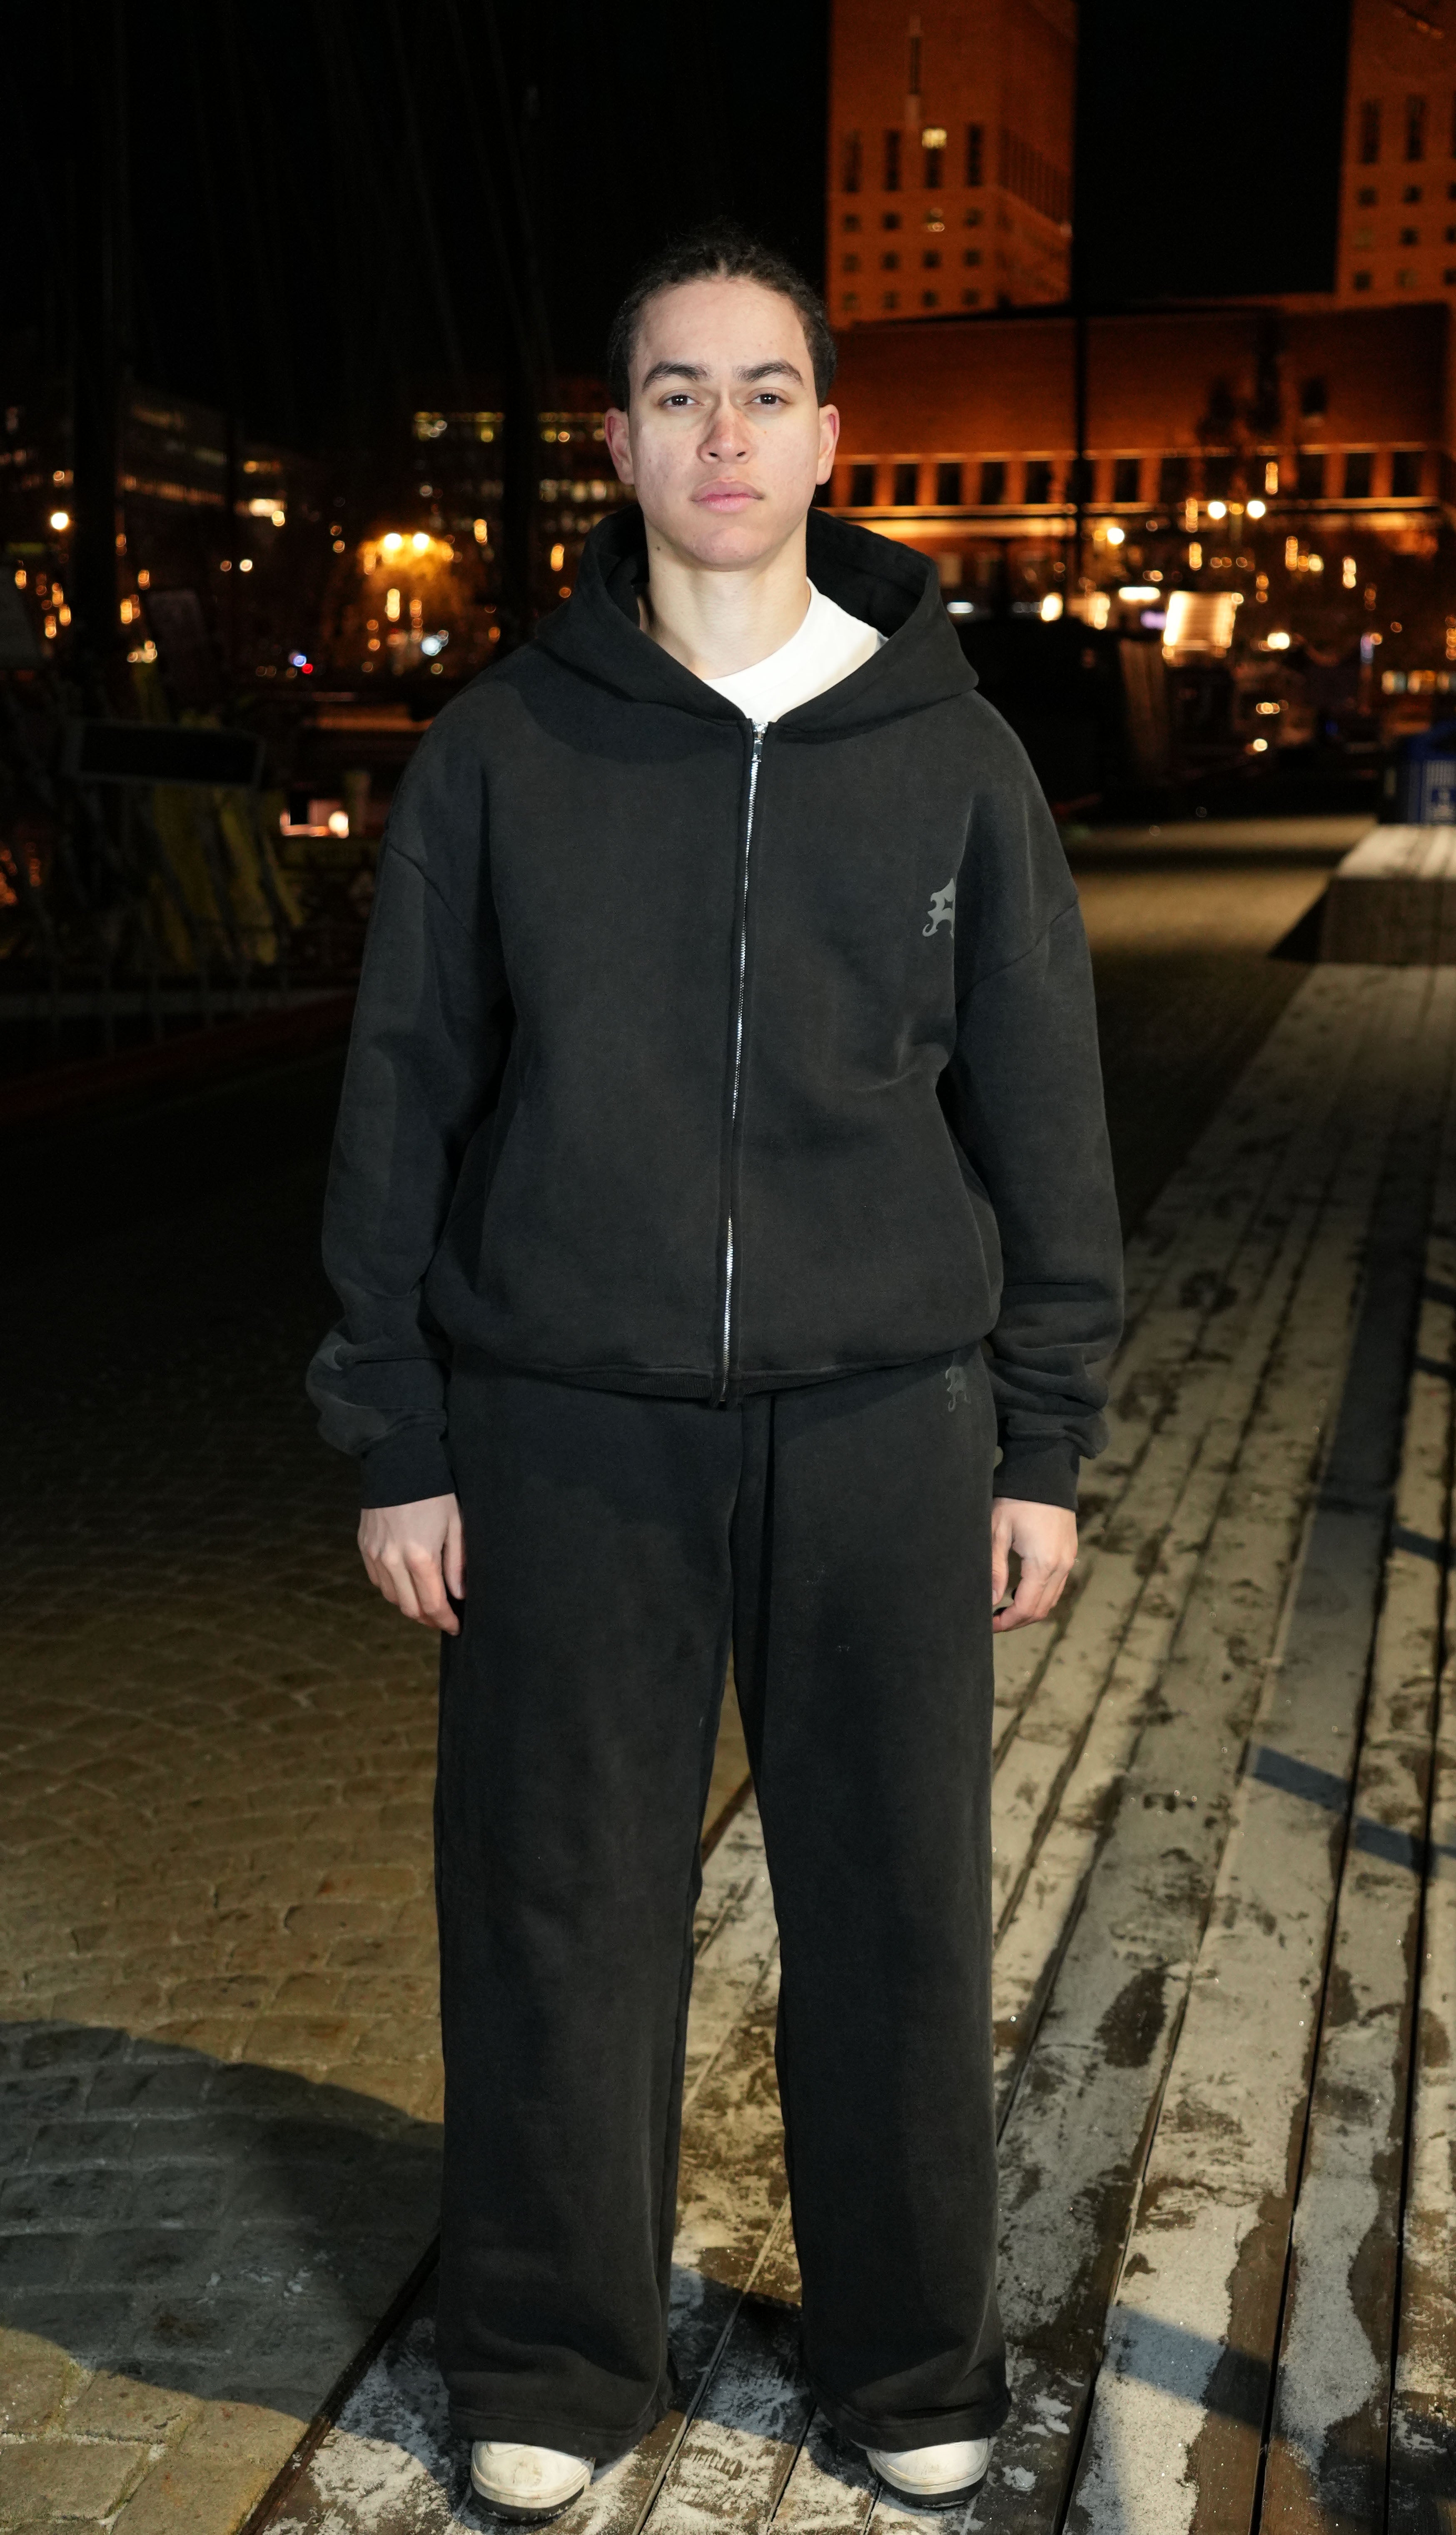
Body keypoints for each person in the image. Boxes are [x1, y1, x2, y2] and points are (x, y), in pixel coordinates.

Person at [308, 221, 1122, 2524]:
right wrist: (397, 1432)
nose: (725, 433)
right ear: (619, 440)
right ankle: (551, 2354)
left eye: (765, 390)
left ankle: (910, 2360)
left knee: (895, 1902)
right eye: (678, 393)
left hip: (887, 1419)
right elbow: (403, 1099)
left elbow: (1043, 1114)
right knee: (556, 1903)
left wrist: (1043, 1432)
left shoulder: (951, 753)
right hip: (564, 1424)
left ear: (831, 434)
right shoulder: (504, 746)